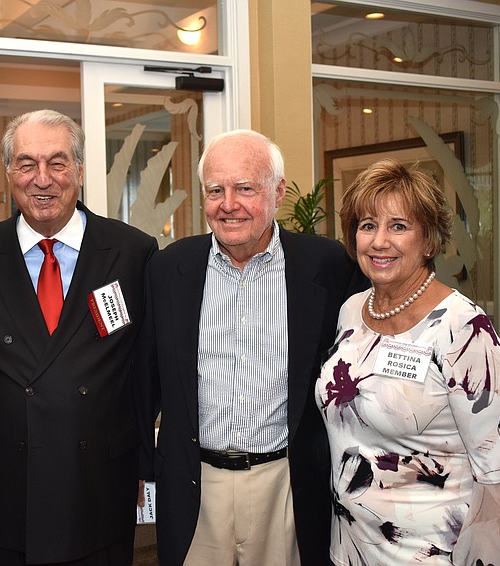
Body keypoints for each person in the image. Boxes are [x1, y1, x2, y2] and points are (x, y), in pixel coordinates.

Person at [134, 129, 369, 566]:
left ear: (277, 192)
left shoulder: (326, 264)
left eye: (245, 188)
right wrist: (142, 468)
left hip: (286, 483)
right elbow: (145, 379)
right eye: (215, 190)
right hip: (194, 484)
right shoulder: (168, 269)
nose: (228, 204)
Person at [0, 109, 157, 565]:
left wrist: (146, 462)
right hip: (5, 481)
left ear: (80, 170)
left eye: (57, 162)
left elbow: (145, 367)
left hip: (98, 482)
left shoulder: (133, 252)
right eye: (26, 164)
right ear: (8, 173)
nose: (42, 179)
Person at [316, 159, 500, 565]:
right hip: (351, 545)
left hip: (432, 551)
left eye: (398, 226)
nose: (379, 241)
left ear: (428, 241)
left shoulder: (465, 330)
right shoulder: (352, 311)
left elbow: (497, 476)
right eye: (368, 224)